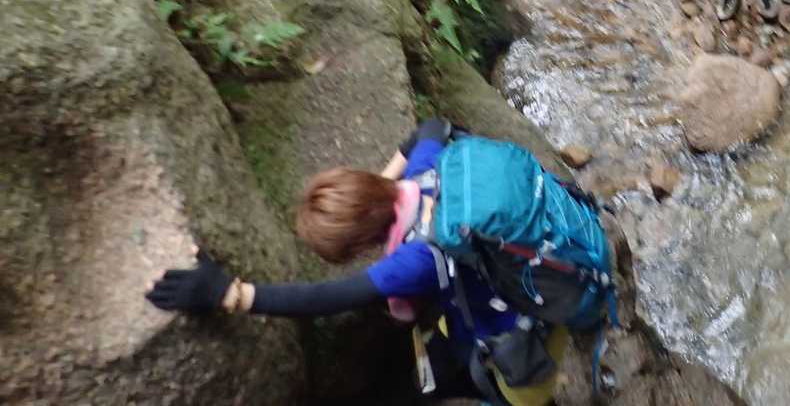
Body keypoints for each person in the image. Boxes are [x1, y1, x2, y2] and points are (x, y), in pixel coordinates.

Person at [145, 119, 568, 406]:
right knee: (442, 367)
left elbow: (327, 297)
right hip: (529, 264)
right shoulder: (424, 172)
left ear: (363, 243)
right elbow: (433, 126)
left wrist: (231, 293)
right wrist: (382, 182)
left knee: (519, 395)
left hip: (531, 317)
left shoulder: (413, 260)